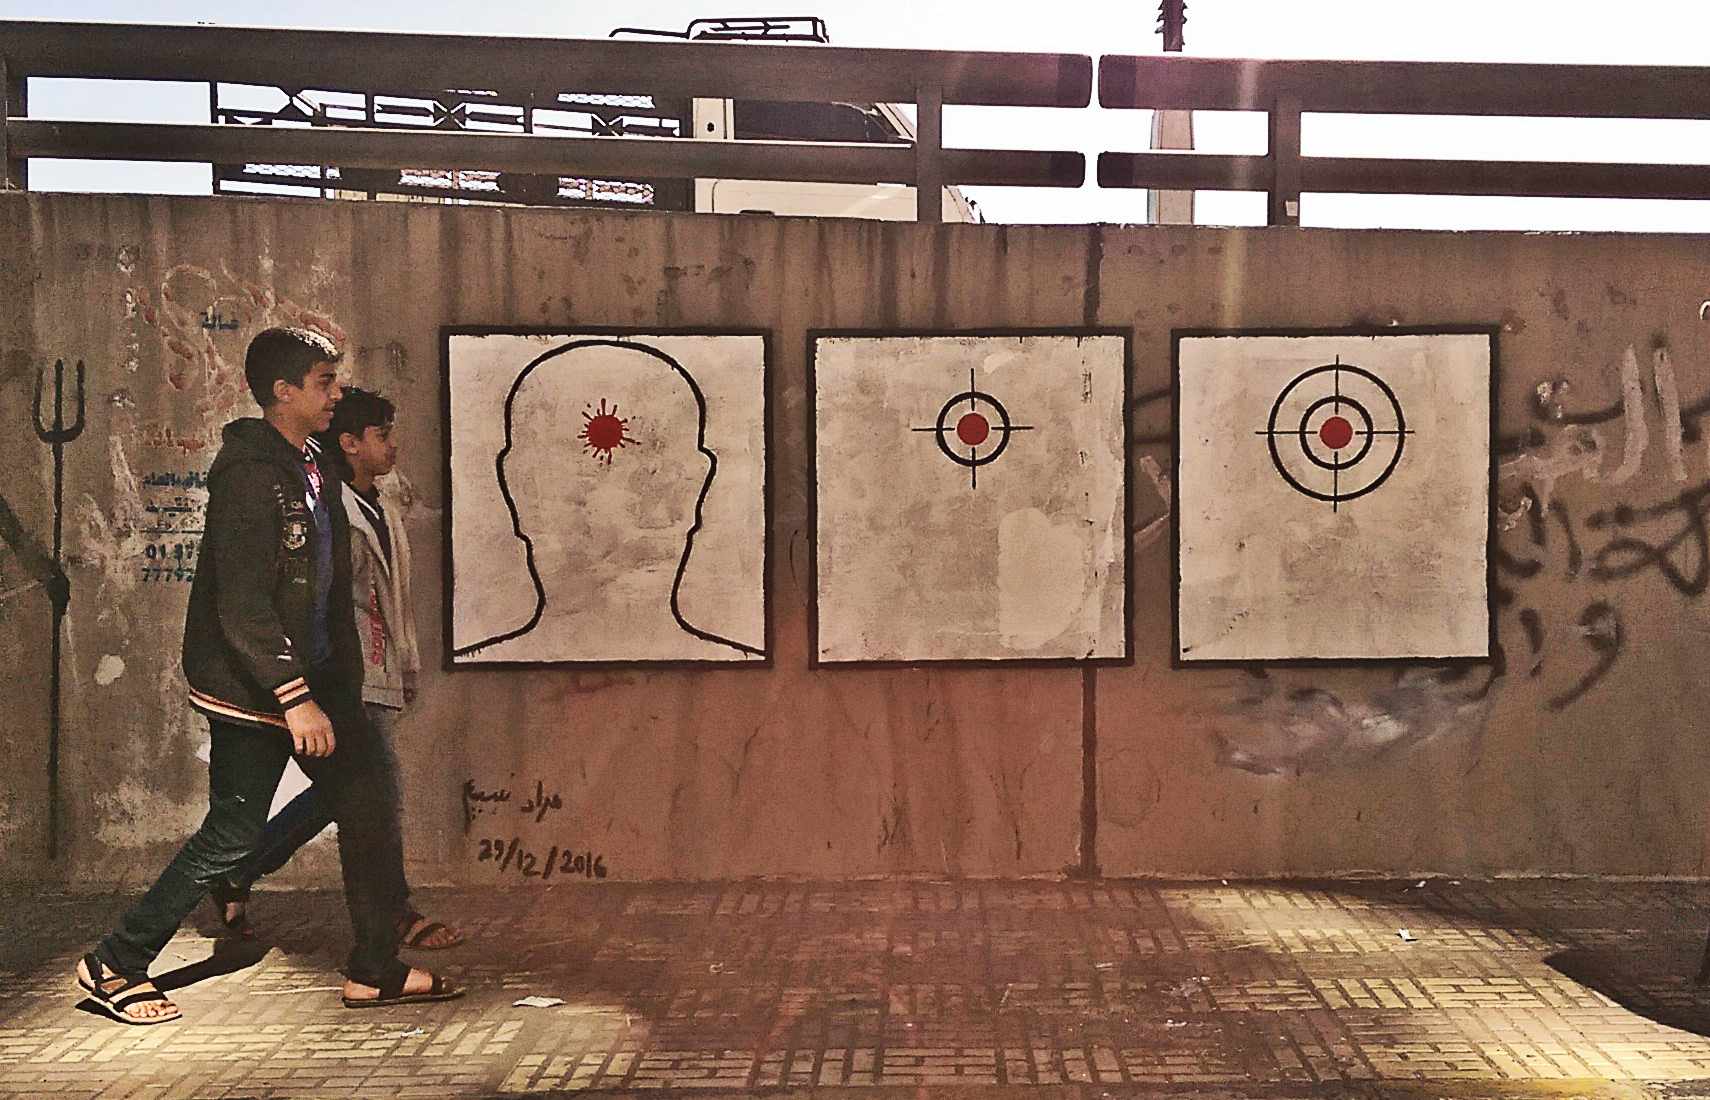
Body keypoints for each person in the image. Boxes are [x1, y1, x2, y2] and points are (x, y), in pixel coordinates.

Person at [74, 327, 461, 1024]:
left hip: (317, 681)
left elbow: (325, 586)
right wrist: (295, 698)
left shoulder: (312, 463)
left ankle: (374, 970)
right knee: (232, 832)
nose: (335, 394)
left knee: (369, 804)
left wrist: (334, 684)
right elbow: (243, 604)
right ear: (283, 392)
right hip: (252, 687)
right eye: (323, 383)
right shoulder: (250, 476)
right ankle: (115, 962)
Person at [206, 386, 464, 951]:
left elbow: (391, 600)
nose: (394, 445)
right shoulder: (329, 509)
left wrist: (405, 668)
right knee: (377, 796)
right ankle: (392, 914)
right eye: (382, 435)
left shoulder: (380, 505)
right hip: (342, 675)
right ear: (349, 443)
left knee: (347, 792)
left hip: (377, 670)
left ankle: (239, 868)